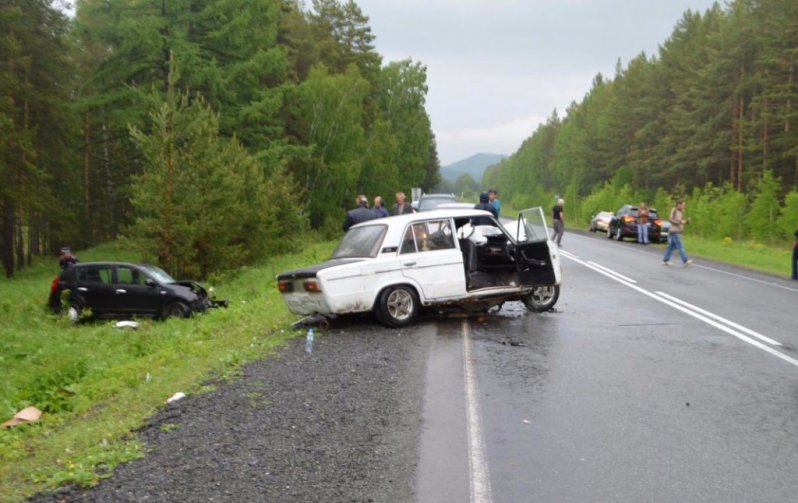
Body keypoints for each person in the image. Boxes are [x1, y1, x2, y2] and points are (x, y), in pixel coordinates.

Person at [663, 199, 693, 266]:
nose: (684, 206)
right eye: (683, 205)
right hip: (674, 231)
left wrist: (687, 221)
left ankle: (666, 260)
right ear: (679, 204)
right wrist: (679, 222)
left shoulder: (681, 212)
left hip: (678, 231)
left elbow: (682, 221)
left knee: (671, 247)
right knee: (680, 246)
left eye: (684, 205)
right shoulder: (674, 210)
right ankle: (685, 260)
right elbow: (670, 219)